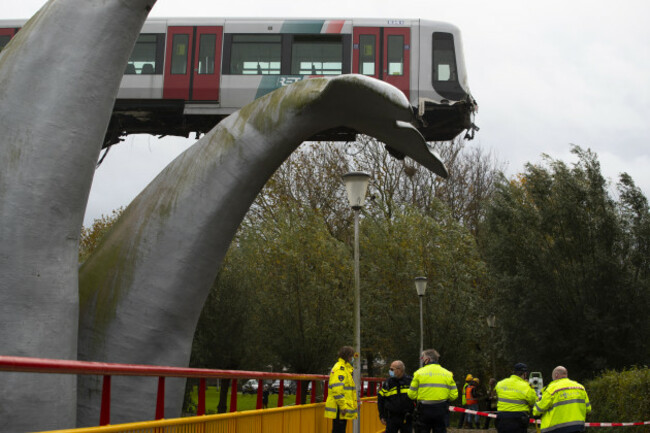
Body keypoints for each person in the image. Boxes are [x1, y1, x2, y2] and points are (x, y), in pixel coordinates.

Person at [408, 348, 459, 433]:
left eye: (423, 358)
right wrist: (444, 398)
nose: (422, 360)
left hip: (424, 409)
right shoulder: (448, 374)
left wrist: (421, 397)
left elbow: (411, 394)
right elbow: (454, 395)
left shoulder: (418, 373)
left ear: (427, 359)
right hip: (441, 409)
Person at [533, 366, 591, 433]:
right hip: (577, 428)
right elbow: (588, 408)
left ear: (556, 375)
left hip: (556, 429)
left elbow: (538, 409)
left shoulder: (551, 389)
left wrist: (535, 406)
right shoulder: (580, 388)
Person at [495, 363, 537, 433]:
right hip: (518, 419)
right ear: (525, 374)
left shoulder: (500, 383)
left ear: (514, 372)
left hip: (502, 418)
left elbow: (496, 394)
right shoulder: (526, 386)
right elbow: (533, 401)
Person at [324, 346, 358, 433]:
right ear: (347, 356)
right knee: (339, 430)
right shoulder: (341, 369)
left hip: (340, 407)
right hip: (339, 408)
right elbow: (337, 390)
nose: (352, 358)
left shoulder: (344, 368)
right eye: (351, 356)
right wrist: (343, 406)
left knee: (339, 430)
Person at [378, 360, 415, 433]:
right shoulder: (388, 383)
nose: (390, 371)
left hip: (407, 417)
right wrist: (382, 416)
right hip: (392, 418)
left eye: (392, 369)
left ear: (400, 370)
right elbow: (381, 400)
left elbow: (416, 398)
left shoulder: (410, 381)